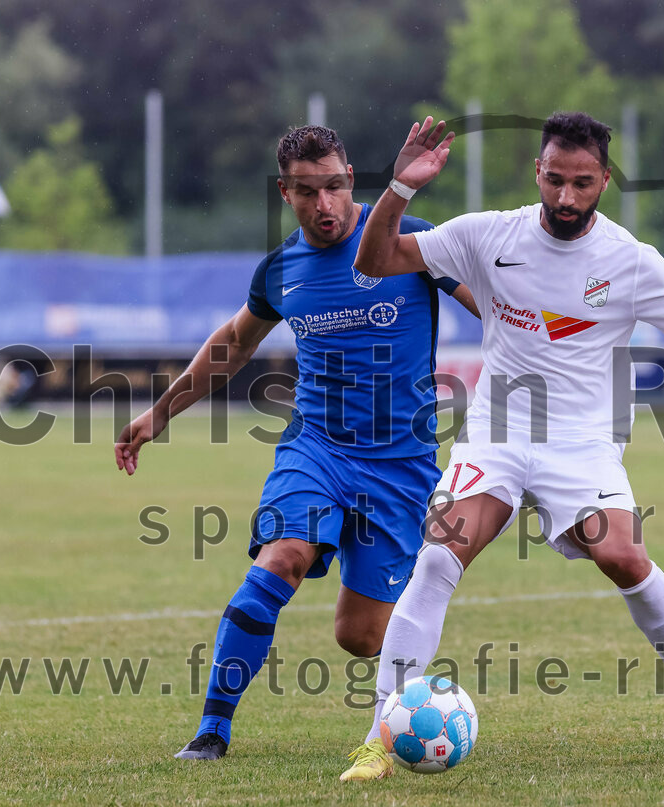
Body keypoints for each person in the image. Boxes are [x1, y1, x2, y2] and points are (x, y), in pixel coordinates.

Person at [338, 112, 664, 779]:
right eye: (554, 179)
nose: (565, 196)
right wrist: (401, 188)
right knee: (439, 555)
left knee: (623, 556)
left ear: (604, 181)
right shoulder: (487, 234)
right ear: (537, 171)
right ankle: (380, 736)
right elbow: (374, 260)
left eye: (581, 183)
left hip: (582, 445)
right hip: (496, 435)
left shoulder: (630, 261)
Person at [113, 125, 478, 761]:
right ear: (286, 193)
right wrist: (161, 412)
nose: (324, 205)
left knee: (359, 637)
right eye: (307, 193)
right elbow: (233, 343)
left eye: (334, 187)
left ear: (351, 179)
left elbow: (499, 310)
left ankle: (413, 674)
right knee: (282, 558)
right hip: (317, 450)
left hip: (402, 466)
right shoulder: (282, 270)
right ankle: (212, 730)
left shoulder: (414, 240)